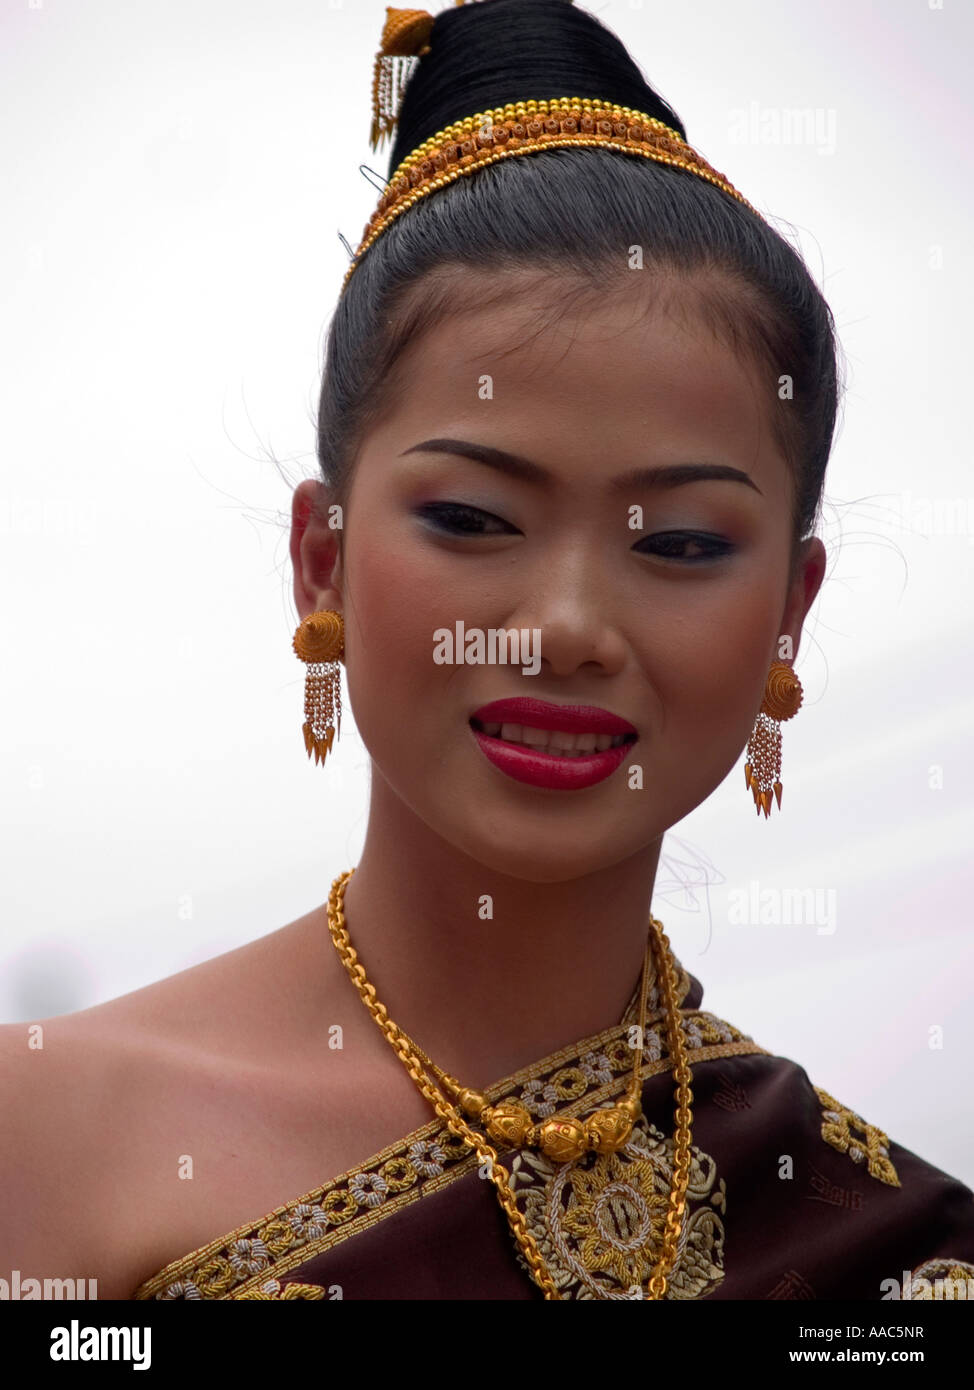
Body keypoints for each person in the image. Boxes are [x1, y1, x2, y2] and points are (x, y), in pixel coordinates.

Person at [2, 0, 972, 1303]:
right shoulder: (49, 1136)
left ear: (790, 607)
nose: (565, 625)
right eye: (470, 519)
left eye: (679, 542)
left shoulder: (899, 1245)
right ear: (321, 559)